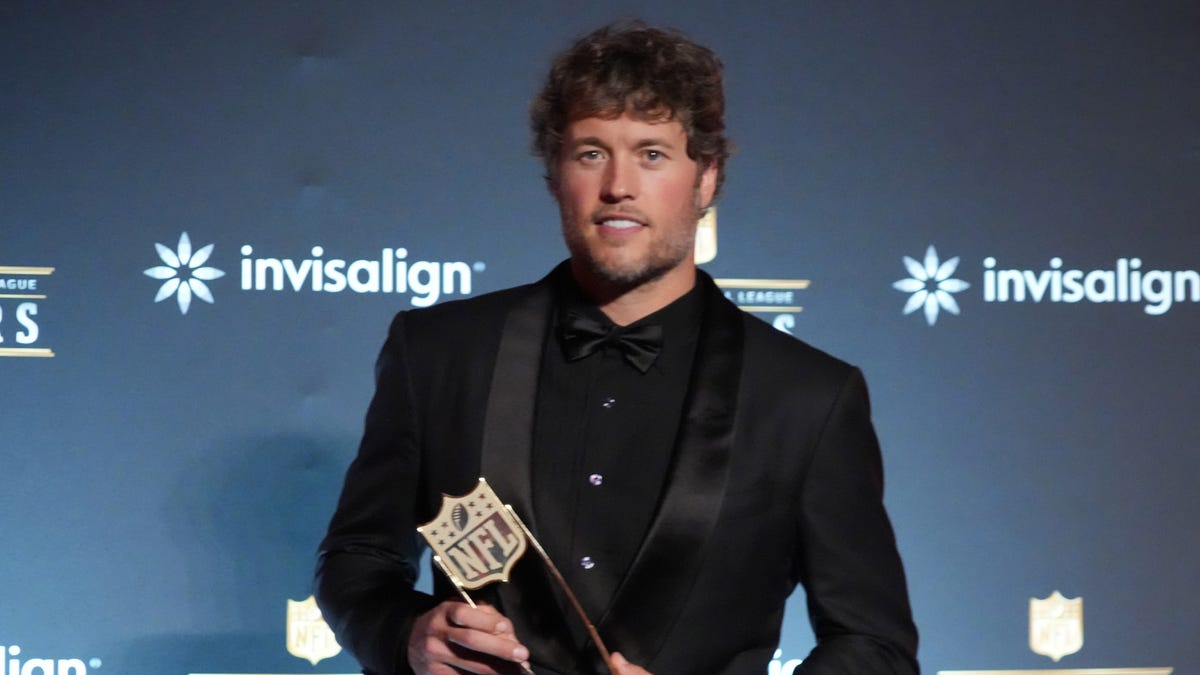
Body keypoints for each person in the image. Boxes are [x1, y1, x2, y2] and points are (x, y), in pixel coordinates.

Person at [316, 21, 919, 675]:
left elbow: (872, 644)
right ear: (554, 173)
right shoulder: (438, 353)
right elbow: (360, 558)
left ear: (707, 178)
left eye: (652, 153)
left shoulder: (808, 397)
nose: (618, 186)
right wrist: (404, 634)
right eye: (590, 152)